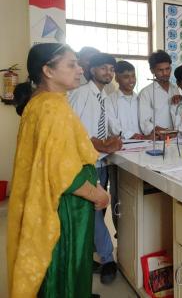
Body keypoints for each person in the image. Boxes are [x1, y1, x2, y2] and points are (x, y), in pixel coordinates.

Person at [8, 43, 109, 298]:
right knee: (65, 265)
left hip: (54, 201)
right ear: (48, 71)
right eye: (71, 64)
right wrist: (97, 193)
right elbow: (61, 172)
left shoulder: (40, 102)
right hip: (65, 206)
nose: (80, 69)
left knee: (54, 265)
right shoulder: (53, 108)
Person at [69, 53, 122, 284]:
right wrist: (97, 142)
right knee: (93, 210)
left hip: (102, 161)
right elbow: (73, 130)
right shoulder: (80, 94)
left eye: (111, 69)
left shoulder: (105, 97)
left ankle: (87, 255)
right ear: (92, 70)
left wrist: (113, 139)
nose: (108, 72)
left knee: (97, 211)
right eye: (104, 68)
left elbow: (113, 127)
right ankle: (108, 257)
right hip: (84, 162)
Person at [138, 50, 180, 136]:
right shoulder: (146, 93)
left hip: (175, 138)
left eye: (167, 69)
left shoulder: (175, 89)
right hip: (157, 139)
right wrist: (164, 132)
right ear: (152, 71)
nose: (165, 73)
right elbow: (144, 122)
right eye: (160, 70)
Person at [106, 60, 144, 139]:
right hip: (121, 145)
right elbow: (113, 126)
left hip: (144, 142)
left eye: (133, 76)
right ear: (116, 79)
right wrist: (132, 135)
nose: (131, 80)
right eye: (126, 77)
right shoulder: (109, 100)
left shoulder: (141, 99)